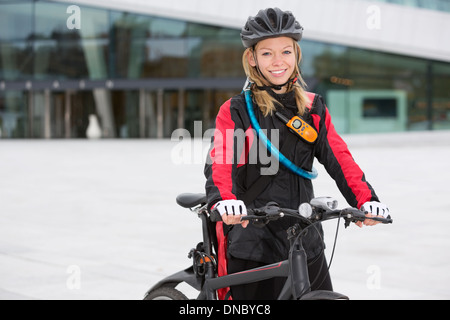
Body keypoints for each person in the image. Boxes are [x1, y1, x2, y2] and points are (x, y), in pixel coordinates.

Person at [204, 7, 390, 300]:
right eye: (267, 53)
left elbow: (339, 157)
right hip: (252, 239)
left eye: (286, 52)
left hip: (304, 238)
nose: (278, 61)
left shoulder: (313, 108)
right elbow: (221, 161)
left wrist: (367, 200)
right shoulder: (237, 110)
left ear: (296, 55)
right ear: (252, 59)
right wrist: (226, 202)